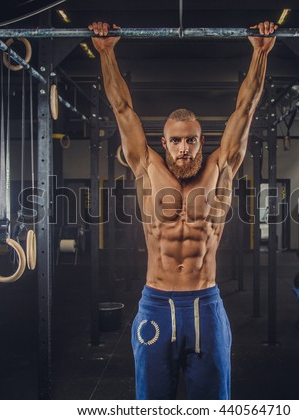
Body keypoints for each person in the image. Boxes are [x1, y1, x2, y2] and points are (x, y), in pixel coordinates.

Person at [89, 20, 277, 399]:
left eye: (191, 140)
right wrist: (106, 52)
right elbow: (122, 107)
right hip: (156, 302)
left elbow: (247, 106)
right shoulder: (145, 165)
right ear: (164, 142)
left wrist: (260, 52)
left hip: (205, 303)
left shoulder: (222, 166)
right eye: (176, 141)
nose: (184, 149)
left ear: (201, 139)